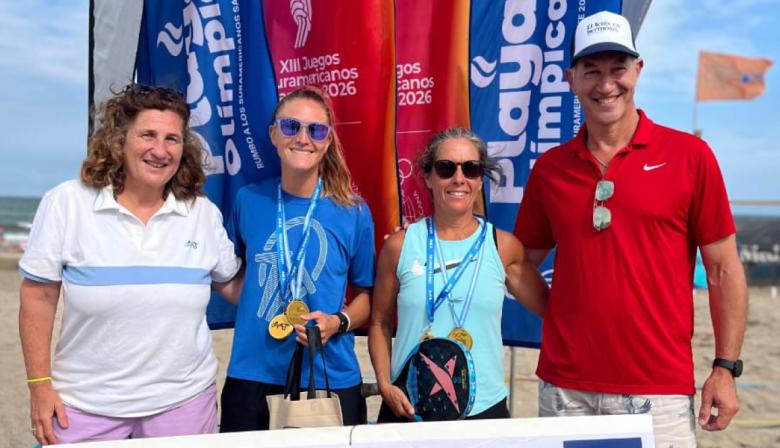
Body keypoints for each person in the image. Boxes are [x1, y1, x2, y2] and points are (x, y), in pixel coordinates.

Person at [514, 11, 748, 447]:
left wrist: (725, 367)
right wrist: (563, 314)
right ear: (571, 79)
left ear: (638, 71)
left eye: (618, 69)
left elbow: (723, 270)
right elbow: (519, 264)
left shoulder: (690, 156)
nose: (606, 85)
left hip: (658, 391)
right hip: (566, 388)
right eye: (592, 71)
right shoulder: (550, 170)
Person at [18, 84, 243, 445]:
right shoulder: (67, 202)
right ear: (120, 138)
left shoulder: (201, 213)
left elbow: (233, 287)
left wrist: (283, 257)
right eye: (148, 135)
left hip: (183, 405)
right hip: (83, 405)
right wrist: (40, 387)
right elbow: (37, 299)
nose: (160, 150)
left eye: (172, 138)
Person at [219, 86, 375, 431]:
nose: (303, 138)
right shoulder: (248, 200)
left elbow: (368, 296)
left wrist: (338, 322)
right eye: (291, 127)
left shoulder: (353, 211)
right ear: (273, 133)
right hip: (252, 373)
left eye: (316, 130)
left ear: (328, 140)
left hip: (328, 374)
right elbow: (233, 278)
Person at [368, 127, 548, 422]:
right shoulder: (400, 246)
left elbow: (553, 309)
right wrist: (385, 384)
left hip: (483, 410)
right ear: (428, 177)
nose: (459, 178)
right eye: (446, 168)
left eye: (471, 168)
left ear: (480, 180)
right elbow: (379, 322)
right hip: (408, 405)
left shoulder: (503, 247)